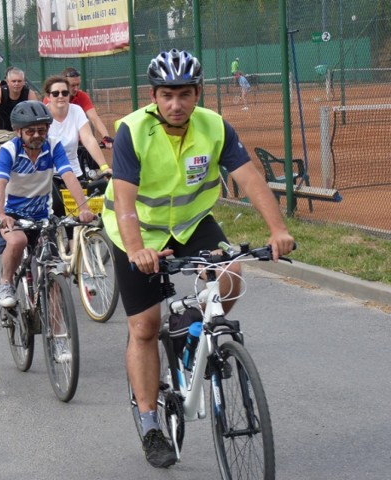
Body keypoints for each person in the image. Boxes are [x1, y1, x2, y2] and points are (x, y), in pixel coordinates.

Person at [101, 49, 295, 468]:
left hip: (190, 224)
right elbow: (124, 200)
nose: (176, 104)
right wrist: (137, 249)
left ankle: (191, 328)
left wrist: (278, 230)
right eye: (167, 95)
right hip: (136, 230)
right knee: (144, 326)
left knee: (232, 275)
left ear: (197, 93)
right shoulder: (132, 131)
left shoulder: (214, 126)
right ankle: (151, 423)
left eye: (185, 94)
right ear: (154, 95)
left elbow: (250, 178)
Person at [0, 100, 93, 307]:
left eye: (42, 130)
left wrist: (83, 207)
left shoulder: (54, 146)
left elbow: (68, 175)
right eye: (31, 131)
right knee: (17, 241)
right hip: (13, 215)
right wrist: (0, 214)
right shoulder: (9, 151)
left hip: (43, 217)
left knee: (54, 274)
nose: (37, 135)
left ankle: (57, 335)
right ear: (18, 131)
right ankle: (5, 282)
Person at [43, 75, 111, 222]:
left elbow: (88, 139)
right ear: (48, 96)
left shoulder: (76, 110)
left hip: (73, 170)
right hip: (50, 171)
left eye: (65, 93)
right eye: (55, 93)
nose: (60, 96)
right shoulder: (43, 113)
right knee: (57, 209)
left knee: (83, 211)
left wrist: (104, 166)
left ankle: (77, 243)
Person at [57, 67, 113, 148]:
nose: (76, 88)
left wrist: (106, 136)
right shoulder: (53, 98)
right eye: (72, 85)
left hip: (77, 141)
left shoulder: (82, 96)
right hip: (58, 142)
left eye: (78, 84)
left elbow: (94, 118)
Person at [0, 66, 38, 145]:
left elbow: (36, 111)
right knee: (6, 152)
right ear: (8, 82)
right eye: (13, 81)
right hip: (4, 131)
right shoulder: (0, 94)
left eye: (19, 81)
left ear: (24, 82)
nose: (16, 84)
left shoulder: (29, 94)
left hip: (23, 130)